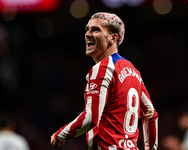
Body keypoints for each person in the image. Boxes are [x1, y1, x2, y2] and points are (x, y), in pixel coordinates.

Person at [51, 12, 158, 150]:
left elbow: (90, 118)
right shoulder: (134, 71)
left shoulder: (103, 68)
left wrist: (61, 134)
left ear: (113, 38)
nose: (88, 34)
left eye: (95, 30)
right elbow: (150, 114)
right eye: (87, 29)